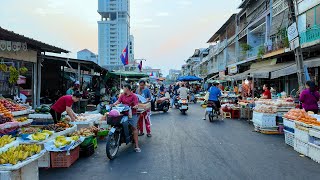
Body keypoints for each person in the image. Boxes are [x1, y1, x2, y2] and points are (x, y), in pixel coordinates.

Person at [111, 84, 141, 152]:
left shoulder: (134, 96)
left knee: (134, 128)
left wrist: (135, 106)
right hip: (123, 113)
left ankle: (136, 145)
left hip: (131, 114)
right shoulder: (122, 95)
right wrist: (113, 104)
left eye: (123, 88)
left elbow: (136, 104)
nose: (123, 89)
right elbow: (118, 101)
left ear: (127, 88)